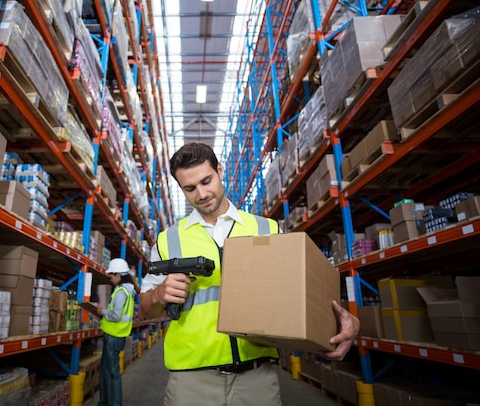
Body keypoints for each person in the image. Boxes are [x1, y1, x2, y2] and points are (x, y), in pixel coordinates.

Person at [140, 142, 360, 406]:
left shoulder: (265, 229)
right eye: (190, 188)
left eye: (206, 181)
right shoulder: (168, 240)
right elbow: (146, 309)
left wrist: (344, 322)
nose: (201, 193)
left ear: (219, 171)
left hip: (257, 379)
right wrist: (159, 294)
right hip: (191, 382)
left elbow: (302, 292)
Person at [96, 258, 137, 406]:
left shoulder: (121, 292)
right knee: (107, 372)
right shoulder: (128, 291)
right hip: (116, 336)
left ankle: (114, 403)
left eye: (112, 276)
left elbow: (115, 316)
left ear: (119, 275)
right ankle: (105, 402)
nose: (111, 278)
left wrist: (102, 312)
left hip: (113, 337)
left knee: (113, 374)